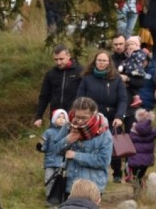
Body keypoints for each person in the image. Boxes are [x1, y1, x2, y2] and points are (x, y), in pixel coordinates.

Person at [46, 97, 113, 197]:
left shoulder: (103, 131)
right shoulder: (68, 126)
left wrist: (75, 155)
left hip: (93, 187)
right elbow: (54, 150)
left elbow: (104, 161)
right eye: (77, 117)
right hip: (70, 184)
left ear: (93, 114)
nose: (80, 121)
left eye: (84, 118)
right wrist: (67, 140)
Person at [76, 50, 126, 182]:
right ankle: (90, 172)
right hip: (92, 118)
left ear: (109, 63)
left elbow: (123, 99)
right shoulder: (87, 78)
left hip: (111, 118)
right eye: (99, 60)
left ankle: (116, 173)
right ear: (95, 61)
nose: (101, 63)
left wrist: (119, 116)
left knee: (113, 145)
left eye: (104, 60)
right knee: (91, 145)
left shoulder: (116, 79)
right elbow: (80, 97)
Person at [34, 44, 83, 127]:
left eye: (61, 59)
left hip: (74, 117)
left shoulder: (80, 71)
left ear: (68, 56)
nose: (58, 62)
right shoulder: (50, 74)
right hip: (55, 117)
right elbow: (44, 96)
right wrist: (39, 116)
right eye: (56, 59)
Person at [127, 108, 156, 195]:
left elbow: (128, 141)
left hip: (134, 158)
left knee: (136, 177)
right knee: (141, 175)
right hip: (146, 159)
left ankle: (137, 192)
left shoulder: (133, 130)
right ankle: (141, 192)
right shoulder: (151, 131)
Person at [38, 109, 69, 204]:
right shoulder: (48, 132)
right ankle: (49, 198)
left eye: (63, 118)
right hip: (50, 161)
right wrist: (40, 147)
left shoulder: (68, 133)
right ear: (54, 119)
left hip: (62, 162)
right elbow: (42, 143)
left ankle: (61, 198)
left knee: (61, 181)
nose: (61, 119)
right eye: (59, 117)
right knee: (49, 180)